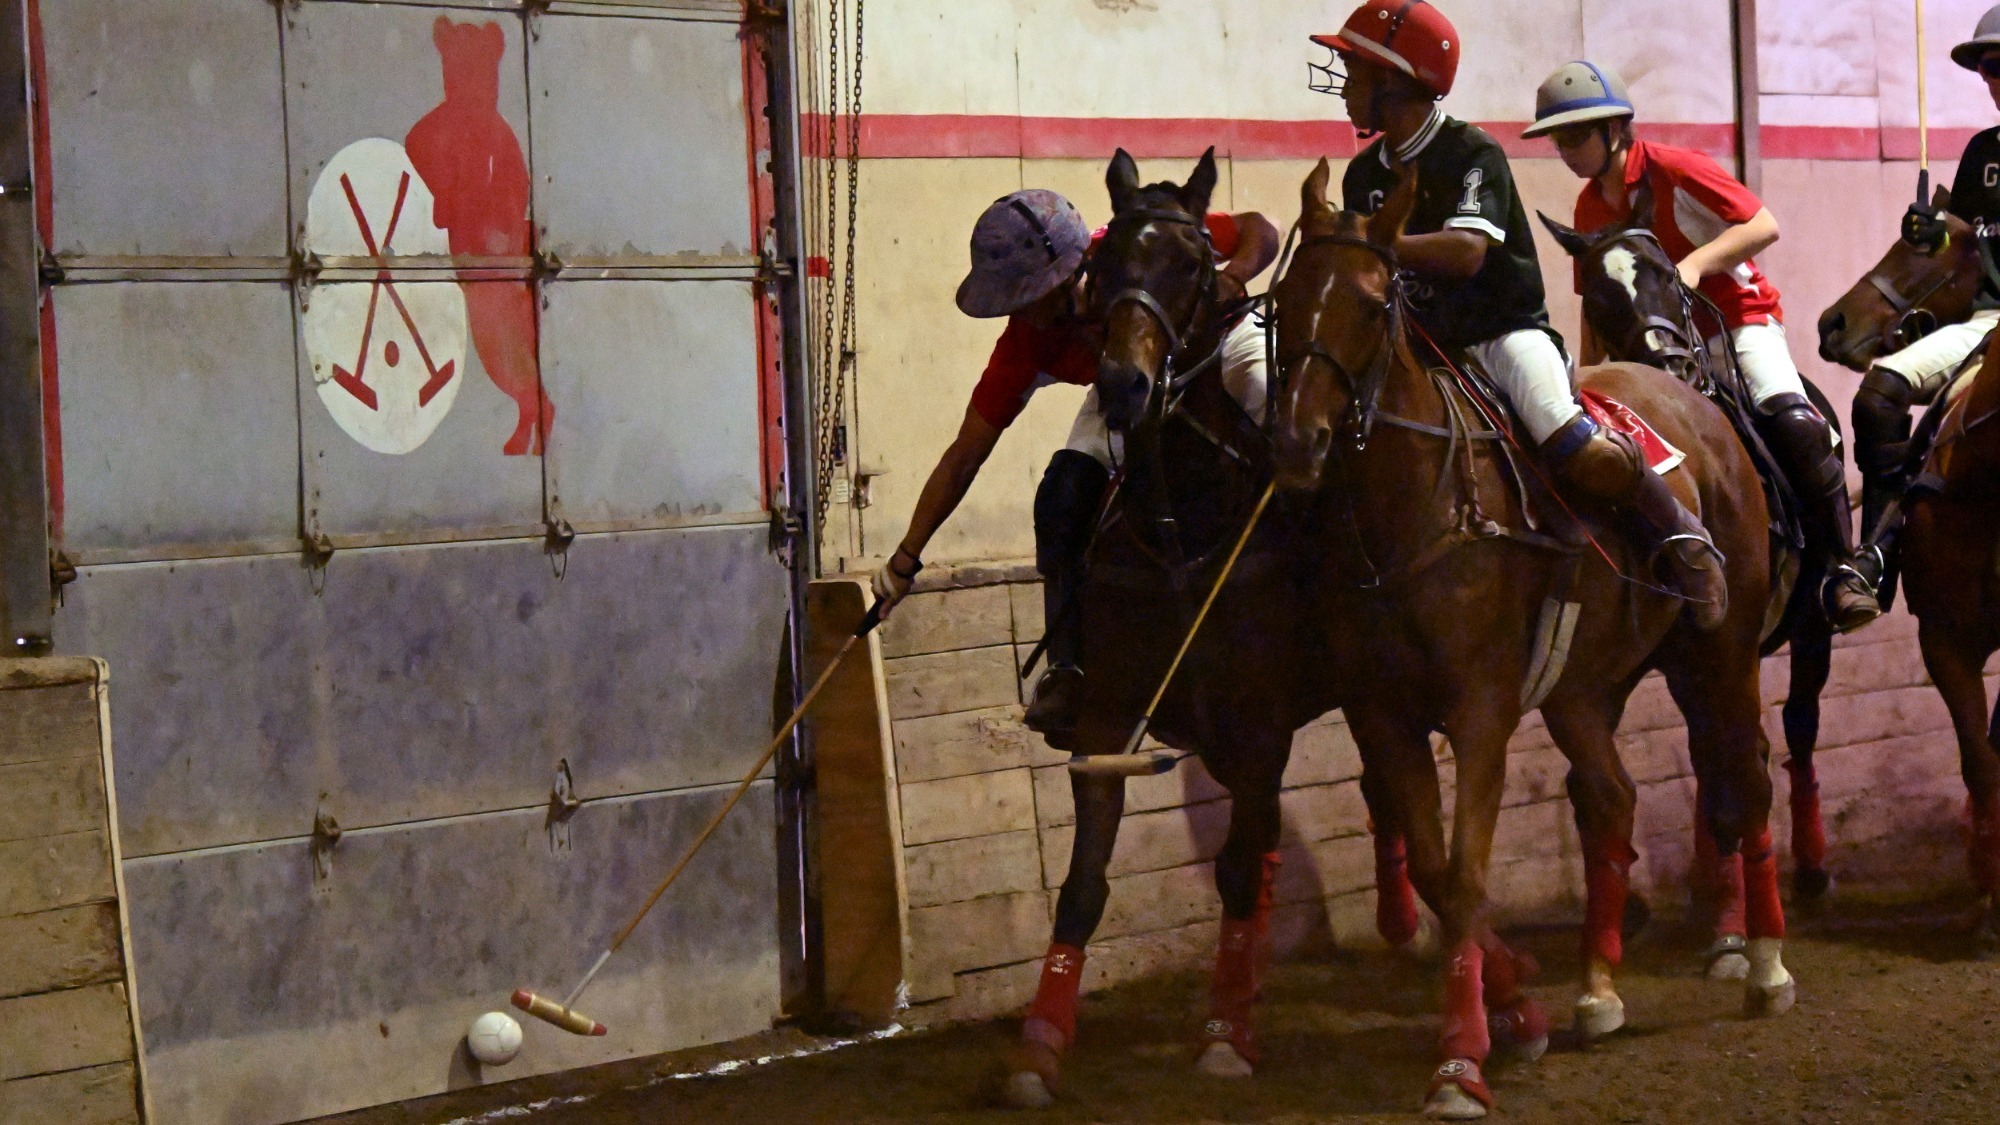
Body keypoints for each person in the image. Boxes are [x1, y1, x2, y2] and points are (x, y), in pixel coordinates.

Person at [1312, 0, 1728, 627]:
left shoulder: (1471, 152)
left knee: (1566, 437)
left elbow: (1468, 250)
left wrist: (1378, 246)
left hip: (1499, 334)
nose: (1344, 88)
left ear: (1396, 83)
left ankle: (1682, 534)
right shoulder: (1363, 174)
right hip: (1419, 344)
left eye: (1355, 73)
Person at [868, 189, 1279, 743]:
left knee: (1278, 416)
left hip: (1217, 352)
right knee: (1062, 494)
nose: (1021, 310)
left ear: (1075, 269)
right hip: (1127, 385)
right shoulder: (1027, 342)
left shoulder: (1137, 243)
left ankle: (1322, 584)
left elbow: (1261, 229)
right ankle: (1069, 670)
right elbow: (966, 453)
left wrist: (1232, 279)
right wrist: (905, 559)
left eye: (1029, 294)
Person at [1523, 60, 1881, 632]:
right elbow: (1597, 306)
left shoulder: (1675, 167)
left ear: (1616, 130)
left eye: (1575, 135)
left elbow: (1763, 225)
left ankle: (1842, 571)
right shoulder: (1588, 208)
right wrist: (1589, 378)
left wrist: (1690, 266)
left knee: (1792, 419)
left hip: (1737, 322)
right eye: (1557, 140)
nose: (1565, 150)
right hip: (1658, 348)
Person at [1853, 3, 2000, 574]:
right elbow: (1961, 250)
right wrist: (1934, 235)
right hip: (1986, 325)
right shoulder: (1982, 153)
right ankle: (1878, 556)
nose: (1994, 80)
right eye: (1988, 68)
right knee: (1879, 393)